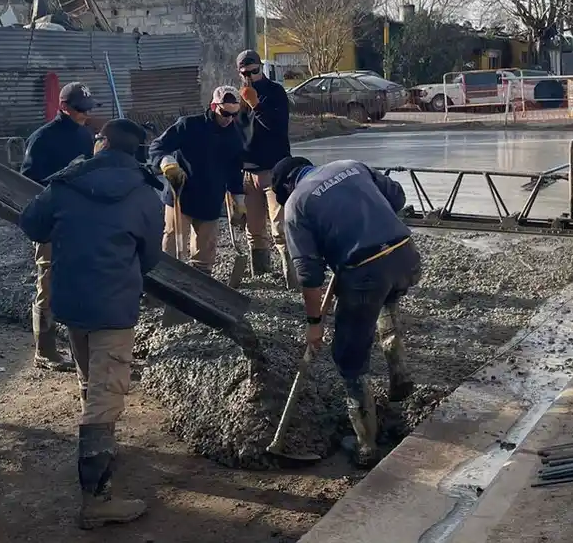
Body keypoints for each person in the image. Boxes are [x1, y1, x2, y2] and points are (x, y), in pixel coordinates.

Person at [17, 119, 163, 530]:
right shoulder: (145, 194)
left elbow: (30, 224)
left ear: (100, 144)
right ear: (134, 153)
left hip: (71, 301)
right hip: (114, 306)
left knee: (90, 381)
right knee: (105, 397)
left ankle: (98, 452)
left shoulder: (65, 183)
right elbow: (150, 257)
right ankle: (96, 501)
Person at [271, 155, 421, 468]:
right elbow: (397, 196)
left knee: (349, 357)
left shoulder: (296, 204)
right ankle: (399, 379)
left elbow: (309, 276)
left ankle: (366, 447)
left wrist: (314, 324)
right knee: (387, 304)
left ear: (288, 185)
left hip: (366, 272)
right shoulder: (349, 165)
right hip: (405, 255)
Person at [18, 81, 97, 371]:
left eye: (87, 110)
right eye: (80, 110)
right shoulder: (42, 139)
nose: (84, 115)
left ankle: (80, 344)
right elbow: (27, 183)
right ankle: (45, 349)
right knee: (48, 280)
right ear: (64, 107)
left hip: (80, 218)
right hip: (52, 220)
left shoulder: (84, 136)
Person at [148, 86, 247, 274]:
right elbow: (157, 147)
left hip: (211, 197)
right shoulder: (188, 125)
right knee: (172, 242)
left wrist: (238, 199)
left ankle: (201, 286)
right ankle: (165, 279)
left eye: (234, 115)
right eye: (225, 113)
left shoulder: (235, 134)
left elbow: (234, 168)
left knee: (206, 249)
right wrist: (166, 161)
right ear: (213, 106)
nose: (229, 119)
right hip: (181, 194)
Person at [234, 49, 292, 285]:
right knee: (254, 228)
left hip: (273, 169)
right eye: (245, 73)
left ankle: (292, 275)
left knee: (280, 226)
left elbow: (278, 128)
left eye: (254, 71)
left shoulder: (275, 92)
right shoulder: (238, 96)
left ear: (261, 68)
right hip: (247, 170)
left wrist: (255, 104)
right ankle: (261, 272)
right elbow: (234, 131)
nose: (250, 76)